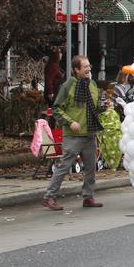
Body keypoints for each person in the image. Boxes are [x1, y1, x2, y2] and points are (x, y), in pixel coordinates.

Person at [41, 55, 103, 210]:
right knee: (64, 167)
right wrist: (70, 122)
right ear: (76, 70)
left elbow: (95, 108)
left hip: (89, 134)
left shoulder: (93, 85)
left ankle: (88, 197)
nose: (89, 69)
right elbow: (56, 109)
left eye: (89, 66)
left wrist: (104, 106)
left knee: (91, 168)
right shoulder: (68, 85)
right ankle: (49, 197)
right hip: (73, 136)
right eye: (85, 67)